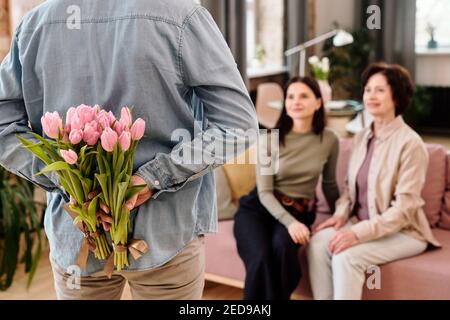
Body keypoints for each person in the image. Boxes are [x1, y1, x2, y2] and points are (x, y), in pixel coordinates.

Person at [0, 0, 257, 299]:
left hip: (77, 238)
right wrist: (152, 178)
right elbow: (237, 124)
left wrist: (73, 184)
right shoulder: (181, 15)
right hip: (166, 236)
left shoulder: (36, 23)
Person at [307, 62, 442, 300]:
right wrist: (340, 216)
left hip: (404, 232)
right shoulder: (361, 138)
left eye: (380, 90)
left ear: (397, 97)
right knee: (318, 244)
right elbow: (349, 190)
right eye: (368, 89)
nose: (371, 96)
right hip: (360, 221)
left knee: (346, 256)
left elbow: (404, 209)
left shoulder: (411, 144)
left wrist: (357, 234)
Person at [233, 76, 340, 300]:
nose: (295, 101)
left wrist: (341, 216)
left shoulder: (329, 140)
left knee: (283, 250)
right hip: (259, 209)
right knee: (260, 258)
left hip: (299, 211)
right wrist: (291, 224)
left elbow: (330, 185)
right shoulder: (269, 140)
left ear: (318, 103)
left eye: (303, 96)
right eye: (290, 97)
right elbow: (264, 193)